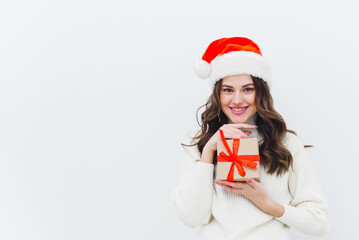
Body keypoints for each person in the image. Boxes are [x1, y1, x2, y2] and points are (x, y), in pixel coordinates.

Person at [171, 37, 330, 240]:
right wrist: (209, 152)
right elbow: (191, 218)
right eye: (228, 90)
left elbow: (320, 221)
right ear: (217, 95)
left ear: (260, 92)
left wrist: (268, 205)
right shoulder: (199, 142)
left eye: (248, 89)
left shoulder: (286, 144)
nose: (237, 100)